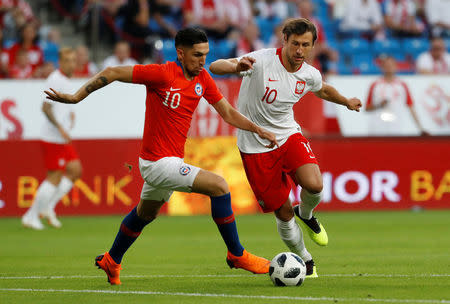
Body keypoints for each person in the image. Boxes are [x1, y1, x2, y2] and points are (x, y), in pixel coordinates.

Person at [44, 28, 278, 285]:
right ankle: (237, 254)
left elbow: (228, 113)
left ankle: (112, 259)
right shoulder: (162, 73)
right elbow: (111, 72)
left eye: (205, 55)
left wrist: (258, 129)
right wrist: (77, 97)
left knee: (146, 213)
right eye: (197, 55)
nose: (202, 61)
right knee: (219, 186)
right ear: (180, 52)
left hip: (170, 162)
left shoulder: (203, 79)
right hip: (157, 163)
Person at [209, 18, 362, 277]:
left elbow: (322, 90)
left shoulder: (309, 73)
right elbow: (216, 65)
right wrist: (236, 67)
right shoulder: (260, 61)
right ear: (285, 41)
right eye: (295, 44)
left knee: (314, 185)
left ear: (313, 46)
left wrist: (346, 101)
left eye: (305, 45)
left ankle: (307, 212)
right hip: (255, 145)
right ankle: (305, 259)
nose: (299, 50)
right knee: (282, 210)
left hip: (288, 134)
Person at [21, 47, 82, 230]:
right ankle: (31, 216)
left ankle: (48, 207)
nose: (73, 64)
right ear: (61, 62)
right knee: (54, 177)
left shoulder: (65, 80)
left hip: (61, 138)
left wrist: (70, 114)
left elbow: (59, 105)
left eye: (74, 60)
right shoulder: (55, 79)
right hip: (52, 137)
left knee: (75, 170)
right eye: (69, 60)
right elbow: (45, 108)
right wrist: (60, 127)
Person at [366, 56, 429, 136]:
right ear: (382, 67)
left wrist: (420, 128)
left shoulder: (402, 85)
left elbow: (410, 107)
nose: (389, 67)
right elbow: (367, 108)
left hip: (397, 127)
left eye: (391, 65)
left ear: (396, 67)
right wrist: (379, 105)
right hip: (377, 128)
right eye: (386, 65)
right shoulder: (375, 85)